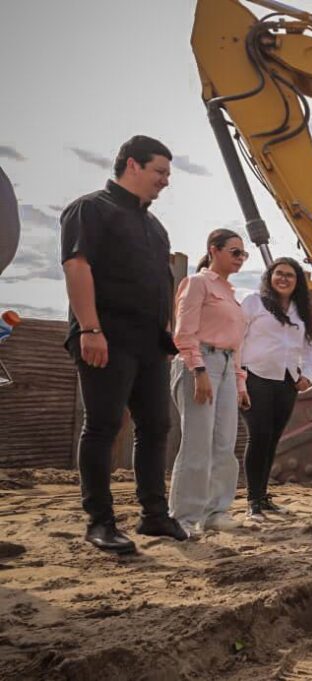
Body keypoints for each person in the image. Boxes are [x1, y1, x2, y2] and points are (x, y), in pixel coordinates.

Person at [59, 135, 186, 554]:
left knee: (156, 427)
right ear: (132, 165)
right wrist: (89, 329)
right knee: (102, 426)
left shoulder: (154, 226)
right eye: (160, 172)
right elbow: (77, 266)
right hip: (106, 337)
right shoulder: (91, 209)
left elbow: (160, 284)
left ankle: (154, 515)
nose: (166, 181)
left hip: (150, 343)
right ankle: (100, 522)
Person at [169, 229, 250, 536]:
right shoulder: (197, 284)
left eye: (243, 254)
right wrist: (198, 370)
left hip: (228, 366)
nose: (240, 259)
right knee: (197, 444)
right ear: (213, 250)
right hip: (202, 361)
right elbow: (184, 332)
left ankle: (216, 511)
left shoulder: (230, 294)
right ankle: (183, 517)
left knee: (224, 444)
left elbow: (236, 344)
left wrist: (240, 384)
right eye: (235, 252)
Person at [239, 257, 312, 521]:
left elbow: (308, 348)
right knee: (258, 435)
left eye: (290, 275)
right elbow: (237, 336)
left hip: (285, 381)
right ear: (270, 277)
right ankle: (253, 501)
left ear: (297, 283)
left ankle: (263, 496)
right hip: (255, 377)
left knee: (272, 438)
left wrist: (306, 374)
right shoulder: (253, 302)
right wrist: (240, 373)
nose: (284, 279)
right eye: (279, 274)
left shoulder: (300, 311)